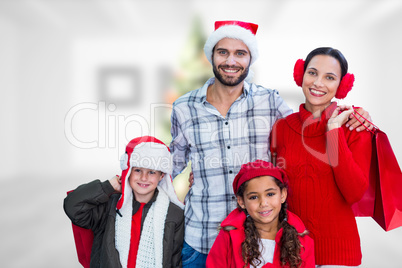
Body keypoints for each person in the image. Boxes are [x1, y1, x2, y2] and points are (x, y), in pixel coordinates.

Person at [170, 21, 371, 267]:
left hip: (256, 242)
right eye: (223, 52)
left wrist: (356, 113)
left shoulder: (268, 100)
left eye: (240, 53)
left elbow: (307, 127)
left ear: (250, 59)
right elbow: (173, 163)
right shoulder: (184, 107)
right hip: (201, 239)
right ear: (211, 56)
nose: (231, 61)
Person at [270, 47, 372, 267]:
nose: (318, 83)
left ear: (341, 85)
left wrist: (333, 131)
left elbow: (353, 192)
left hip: (338, 255)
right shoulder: (282, 128)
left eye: (330, 77)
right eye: (313, 73)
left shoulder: (355, 127)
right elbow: (273, 188)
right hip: (291, 251)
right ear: (301, 75)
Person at [64, 136, 184, 268]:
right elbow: (73, 206)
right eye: (138, 170)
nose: (144, 178)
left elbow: (174, 261)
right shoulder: (110, 206)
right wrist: (108, 186)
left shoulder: (174, 214)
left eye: (151, 172)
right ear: (128, 172)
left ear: (161, 176)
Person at [206, 160, 315, 268]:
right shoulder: (228, 237)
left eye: (270, 194)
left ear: (282, 195)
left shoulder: (302, 242)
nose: (263, 203)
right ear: (241, 201)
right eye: (253, 197)